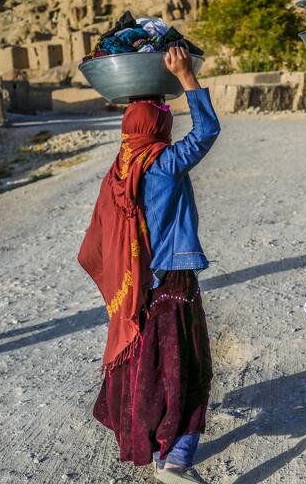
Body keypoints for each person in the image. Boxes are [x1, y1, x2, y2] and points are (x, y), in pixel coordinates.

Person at [78, 47, 220, 483]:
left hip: (137, 284)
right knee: (186, 368)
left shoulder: (119, 169)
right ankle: (174, 459)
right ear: (158, 127)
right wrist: (187, 76)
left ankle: (154, 443)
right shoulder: (163, 162)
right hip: (172, 277)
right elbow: (208, 129)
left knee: (151, 365)